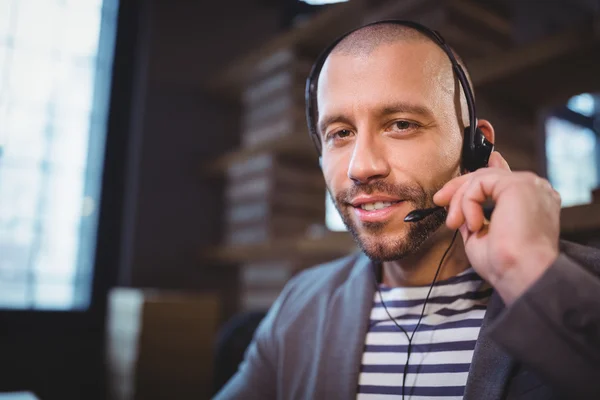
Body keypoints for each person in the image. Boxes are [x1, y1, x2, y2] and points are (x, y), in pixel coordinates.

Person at [214, 21, 600, 400]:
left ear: (474, 146)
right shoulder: (301, 303)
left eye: (401, 124)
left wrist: (528, 272)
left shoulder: (582, 284)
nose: (361, 167)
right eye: (340, 133)